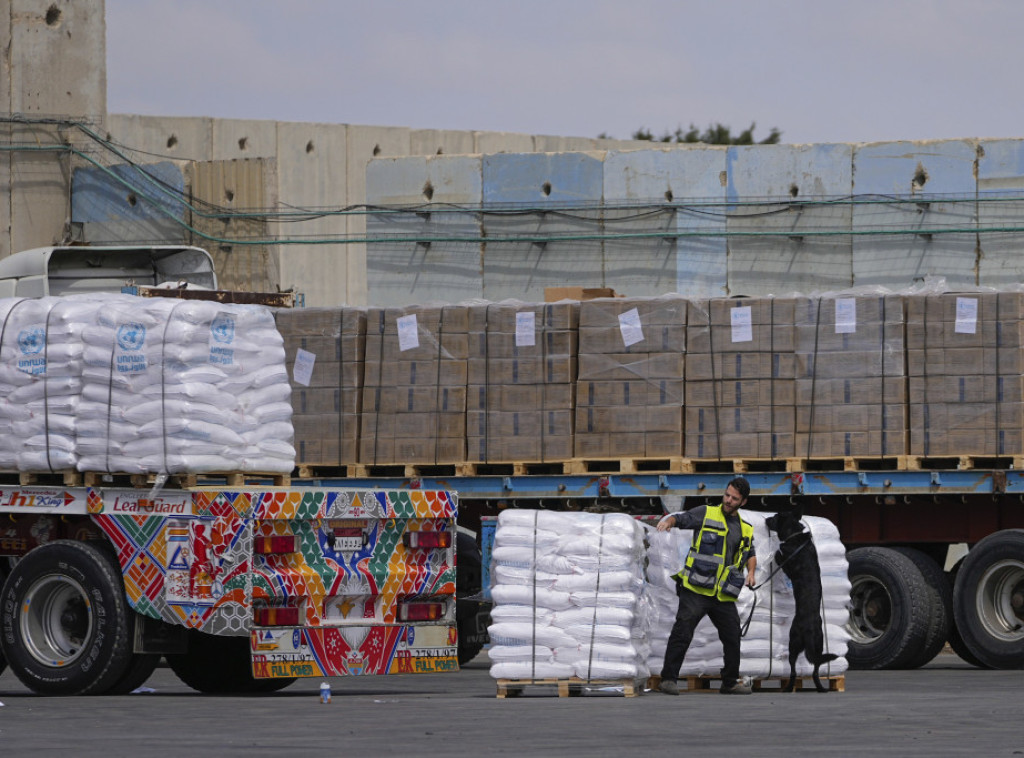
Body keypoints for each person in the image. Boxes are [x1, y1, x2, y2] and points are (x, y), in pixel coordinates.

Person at [656, 476, 757, 695]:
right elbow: (682, 519)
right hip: (696, 589)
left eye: (734, 498)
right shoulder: (707, 512)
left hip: (722, 595)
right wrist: (668, 522)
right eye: (727, 495)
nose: (728, 500)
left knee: (732, 635)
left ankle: (729, 682)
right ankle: (668, 679)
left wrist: (751, 572)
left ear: (743, 502)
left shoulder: (745, 529)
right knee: (683, 631)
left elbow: (750, 552)